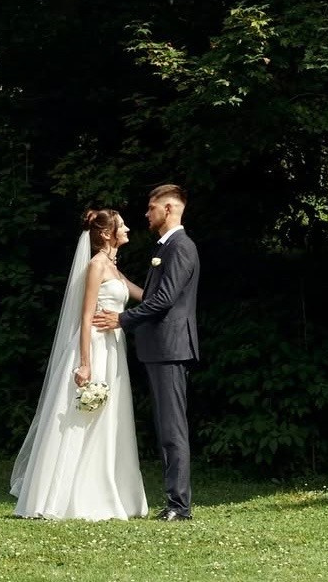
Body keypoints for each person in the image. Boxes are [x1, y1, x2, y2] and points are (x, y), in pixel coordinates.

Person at [10, 208, 149, 520]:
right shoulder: (97, 265)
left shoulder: (113, 267)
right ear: (107, 233)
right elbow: (86, 317)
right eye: (122, 225)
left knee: (109, 418)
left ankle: (107, 489)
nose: (128, 229)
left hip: (113, 347)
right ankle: (62, 497)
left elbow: (145, 296)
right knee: (82, 417)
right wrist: (85, 363)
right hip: (96, 346)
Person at [93, 183, 199, 520]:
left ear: (168, 209)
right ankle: (175, 502)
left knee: (172, 428)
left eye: (152, 207)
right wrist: (119, 281)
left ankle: (179, 506)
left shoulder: (180, 246)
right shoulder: (165, 247)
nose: (146, 213)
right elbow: (154, 295)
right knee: (166, 426)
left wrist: (122, 319)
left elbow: (165, 300)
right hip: (160, 348)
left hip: (170, 348)